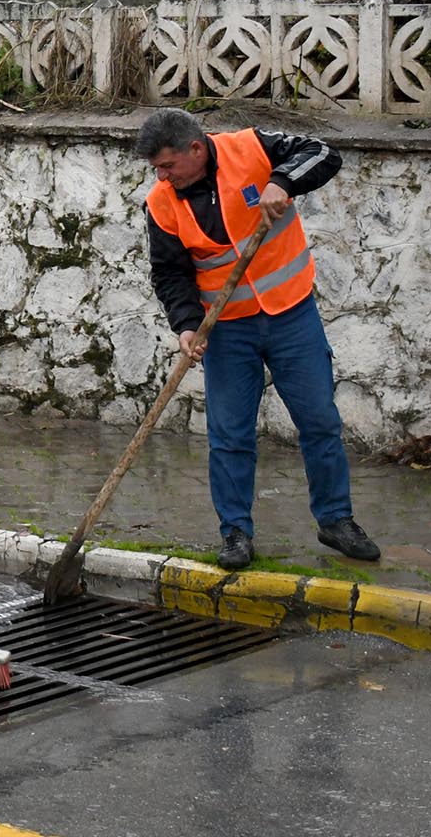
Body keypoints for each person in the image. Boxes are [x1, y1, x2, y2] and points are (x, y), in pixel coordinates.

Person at [136, 108, 379, 572]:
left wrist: (283, 181)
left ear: (196, 148)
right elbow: (170, 273)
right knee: (229, 434)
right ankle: (235, 532)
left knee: (320, 421)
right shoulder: (162, 203)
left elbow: (324, 153)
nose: (162, 176)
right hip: (226, 328)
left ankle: (336, 520)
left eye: (167, 166)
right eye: (156, 170)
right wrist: (187, 326)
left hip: (291, 313)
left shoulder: (250, 147)